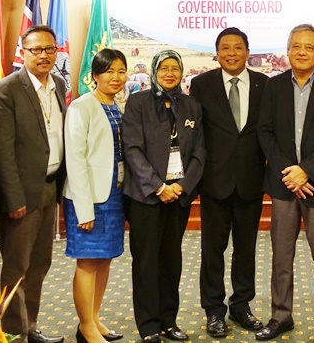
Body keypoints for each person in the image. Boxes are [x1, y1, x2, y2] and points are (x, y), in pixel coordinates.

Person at [255, 24, 314, 343]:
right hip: (283, 185)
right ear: (288, 49)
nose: (302, 52)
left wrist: (306, 171)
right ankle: (281, 316)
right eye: (296, 46)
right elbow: (264, 132)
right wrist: (290, 172)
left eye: (309, 47)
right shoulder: (273, 86)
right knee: (281, 256)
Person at [0, 25, 67, 343]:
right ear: (22, 52)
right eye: (36, 49)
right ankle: (12, 332)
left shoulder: (59, 84)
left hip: (51, 187)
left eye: (49, 49)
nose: (44, 55)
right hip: (21, 193)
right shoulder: (6, 89)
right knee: (16, 266)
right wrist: (13, 197)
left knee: (40, 263)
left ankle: (29, 325)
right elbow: (2, 149)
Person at [189, 27, 269, 338]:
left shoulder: (265, 84)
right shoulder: (201, 84)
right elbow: (194, 135)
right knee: (213, 249)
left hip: (251, 179)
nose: (231, 53)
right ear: (217, 52)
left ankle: (241, 305)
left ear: (248, 52)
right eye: (225, 48)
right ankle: (213, 309)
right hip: (214, 180)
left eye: (238, 47)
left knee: (246, 249)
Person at [122, 50, 205, 343]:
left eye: (175, 68)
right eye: (164, 68)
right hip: (146, 196)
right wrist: (158, 186)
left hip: (178, 195)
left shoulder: (192, 105)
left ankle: (169, 320)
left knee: (172, 259)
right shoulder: (138, 102)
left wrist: (182, 187)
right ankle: (148, 325)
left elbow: (199, 152)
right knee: (146, 261)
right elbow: (131, 148)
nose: (169, 73)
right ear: (154, 70)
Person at [63, 49, 129, 343]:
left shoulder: (119, 106)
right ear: (95, 76)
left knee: (104, 260)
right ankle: (85, 326)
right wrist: (84, 209)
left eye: (120, 71)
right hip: (87, 197)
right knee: (87, 262)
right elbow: (75, 160)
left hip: (114, 194)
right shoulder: (82, 107)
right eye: (109, 71)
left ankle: (94, 318)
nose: (115, 77)